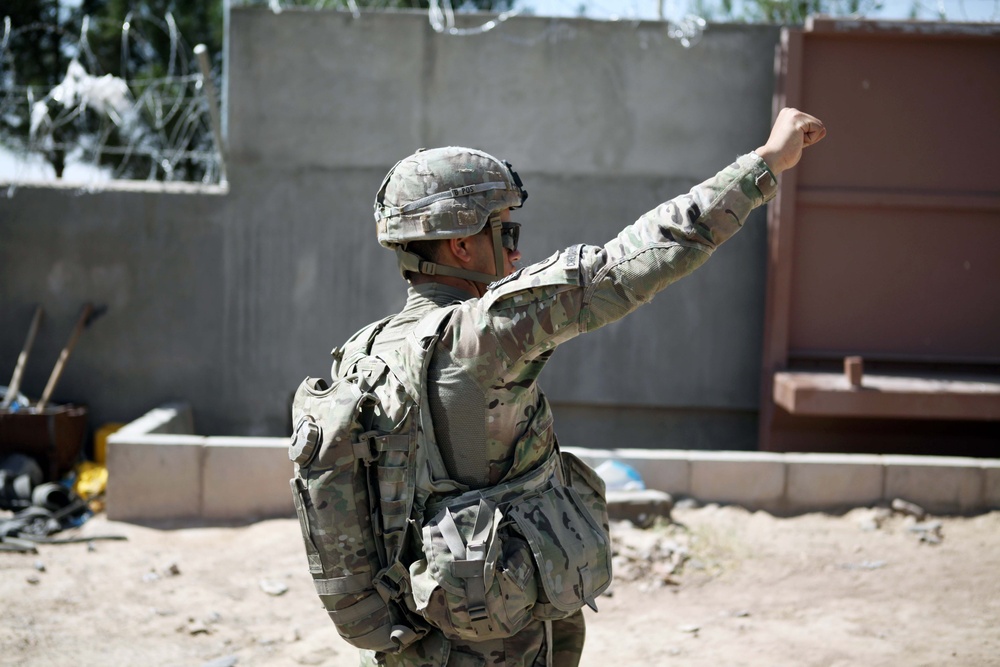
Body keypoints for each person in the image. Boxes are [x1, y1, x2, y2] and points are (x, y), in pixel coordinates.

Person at [354, 107, 826, 667]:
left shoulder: (364, 353)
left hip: (409, 641)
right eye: (506, 232)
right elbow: (632, 262)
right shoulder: (483, 334)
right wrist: (766, 163)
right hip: (498, 642)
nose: (516, 253)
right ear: (460, 247)